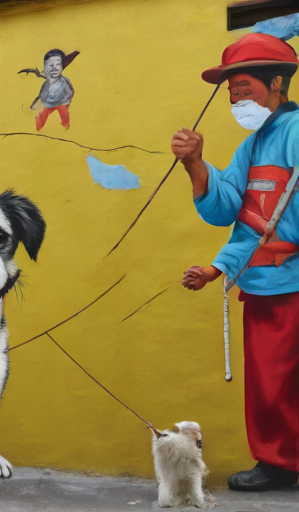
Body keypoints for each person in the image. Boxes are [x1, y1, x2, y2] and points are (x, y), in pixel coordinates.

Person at [171, 33, 299, 491]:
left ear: (277, 83)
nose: (236, 99)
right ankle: (279, 463)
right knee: (268, 382)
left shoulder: (296, 133)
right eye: (231, 93)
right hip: (265, 283)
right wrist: (195, 164)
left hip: (295, 280)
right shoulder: (253, 144)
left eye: (243, 88)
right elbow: (233, 212)